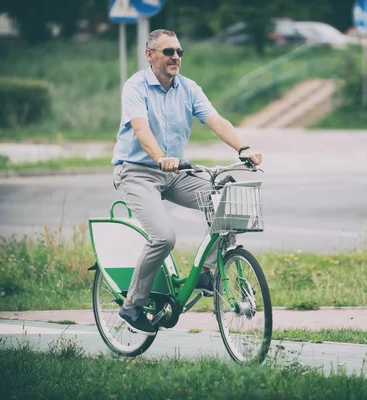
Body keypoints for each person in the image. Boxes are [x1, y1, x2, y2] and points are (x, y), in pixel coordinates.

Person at [112, 29, 262, 335]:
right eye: (168, 52)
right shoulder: (136, 86)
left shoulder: (188, 88)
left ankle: (207, 271)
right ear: (150, 55)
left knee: (227, 200)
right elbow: (140, 129)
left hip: (176, 173)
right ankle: (132, 304)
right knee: (164, 237)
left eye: (179, 51)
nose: (176, 57)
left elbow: (216, 120)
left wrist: (242, 148)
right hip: (138, 171)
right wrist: (159, 157)